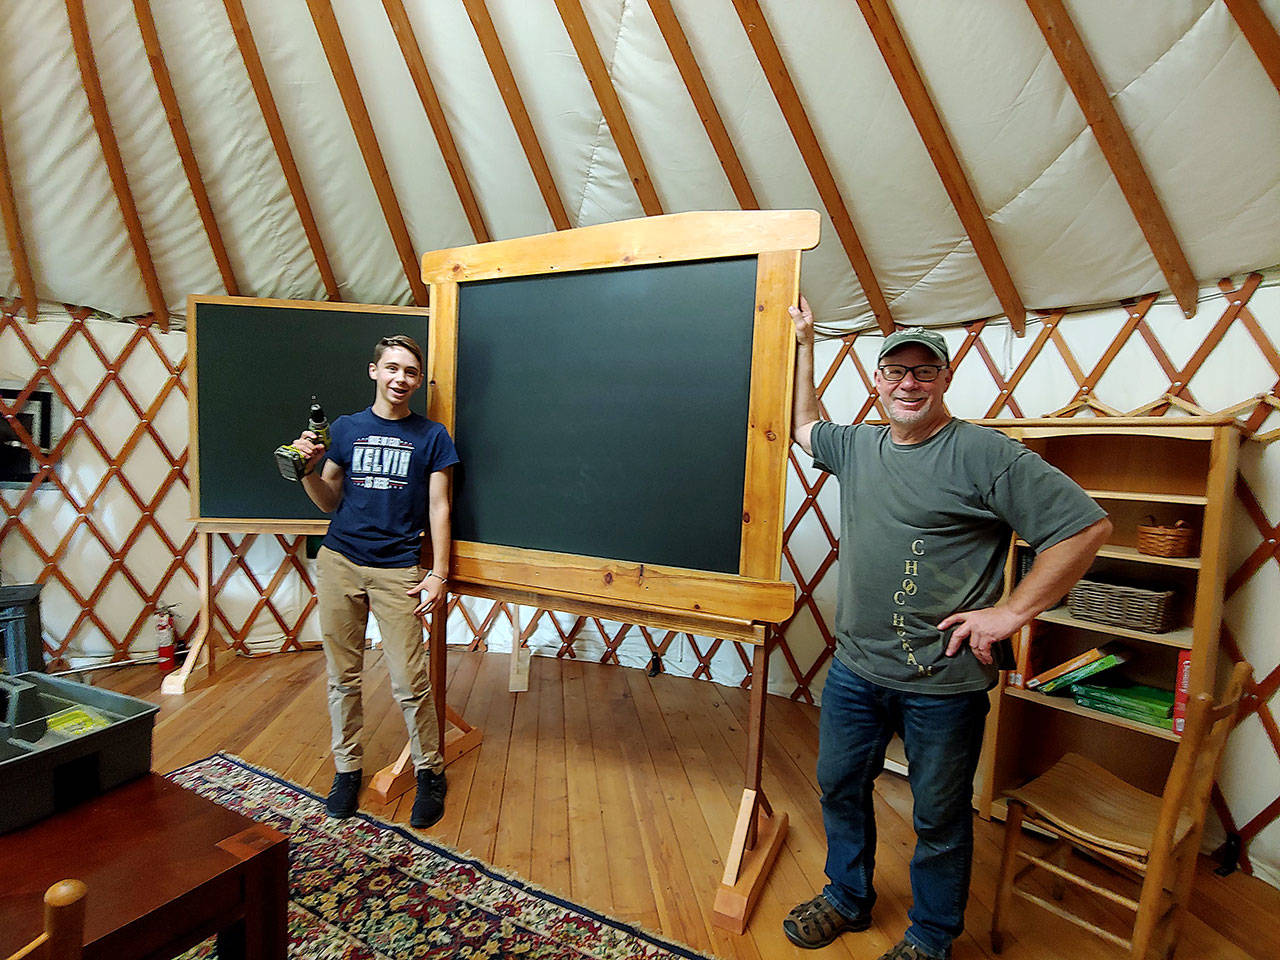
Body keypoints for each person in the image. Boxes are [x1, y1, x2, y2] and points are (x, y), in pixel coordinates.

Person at [783, 297, 1111, 960]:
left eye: (924, 371)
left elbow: (1085, 527)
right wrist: (804, 343)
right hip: (855, 670)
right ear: (877, 380)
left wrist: (1014, 610)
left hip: (942, 683)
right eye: (896, 371)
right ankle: (847, 896)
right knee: (840, 785)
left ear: (946, 377)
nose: (909, 383)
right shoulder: (858, 446)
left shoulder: (985, 454)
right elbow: (804, 423)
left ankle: (931, 937)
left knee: (938, 815)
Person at [290, 334, 459, 830]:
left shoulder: (432, 436)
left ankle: (430, 771)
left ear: (416, 379)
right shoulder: (345, 429)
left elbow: (439, 506)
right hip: (340, 559)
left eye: (409, 371)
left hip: (398, 570)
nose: (400, 379)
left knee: (410, 680)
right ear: (374, 371)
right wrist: (304, 469)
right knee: (343, 675)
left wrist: (439, 573)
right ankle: (347, 770)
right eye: (391, 368)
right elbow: (327, 501)